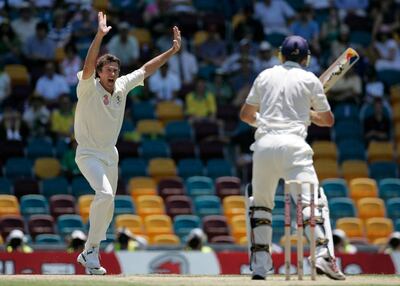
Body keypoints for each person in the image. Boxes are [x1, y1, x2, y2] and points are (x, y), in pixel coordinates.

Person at [75, 12, 181, 275]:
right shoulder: (88, 87)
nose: (113, 73)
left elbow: (146, 69)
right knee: (105, 195)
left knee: (108, 209)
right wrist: (99, 35)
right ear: (99, 74)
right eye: (108, 70)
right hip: (88, 153)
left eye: (115, 70)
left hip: (111, 155)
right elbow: (88, 67)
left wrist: (171, 51)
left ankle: (91, 252)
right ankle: (89, 251)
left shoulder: (122, 86)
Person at [239, 35, 345, 280]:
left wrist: (263, 120)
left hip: (263, 145)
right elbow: (328, 120)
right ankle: (322, 256)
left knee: (260, 205)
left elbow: (246, 114)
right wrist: (306, 113)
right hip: (295, 146)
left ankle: (259, 266)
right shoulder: (310, 80)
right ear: (306, 58)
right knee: (312, 202)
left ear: (280, 55)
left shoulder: (264, 76)